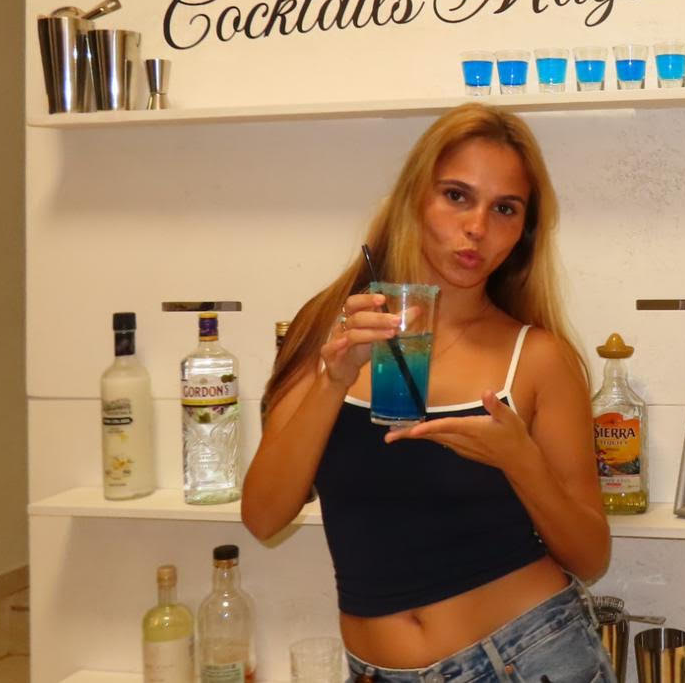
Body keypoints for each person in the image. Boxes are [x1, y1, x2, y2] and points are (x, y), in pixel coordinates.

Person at [243, 104, 614, 683]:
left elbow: (591, 557)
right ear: (414, 198)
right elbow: (263, 516)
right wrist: (333, 380)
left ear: (523, 232)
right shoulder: (329, 328)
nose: (477, 228)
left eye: (505, 209)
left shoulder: (538, 356)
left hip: (529, 655)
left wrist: (520, 461)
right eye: (456, 196)